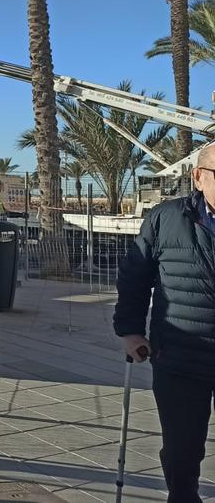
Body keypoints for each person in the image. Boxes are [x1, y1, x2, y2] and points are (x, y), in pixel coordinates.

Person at [115, 143, 215, 502]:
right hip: (180, 356)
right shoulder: (164, 218)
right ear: (199, 177)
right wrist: (130, 331)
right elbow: (134, 276)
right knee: (182, 451)